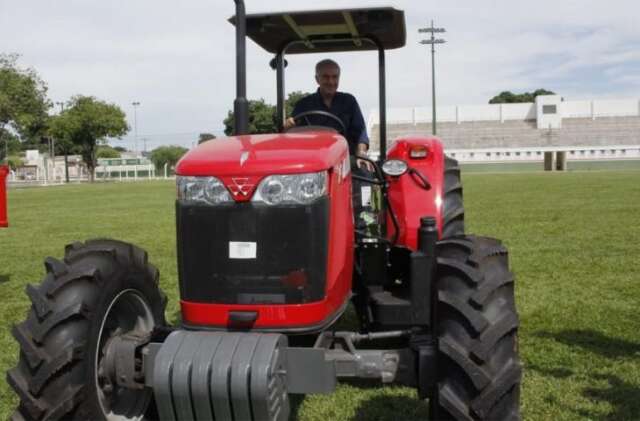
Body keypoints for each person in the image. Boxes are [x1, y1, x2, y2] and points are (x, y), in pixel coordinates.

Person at [284, 59, 372, 170]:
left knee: (365, 169)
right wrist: (288, 127)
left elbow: (360, 132)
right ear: (317, 79)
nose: (331, 81)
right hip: (313, 160)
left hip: (344, 159)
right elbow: (292, 134)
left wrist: (361, 153)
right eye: (326, 77)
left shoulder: (349, 101)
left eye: (334, 77)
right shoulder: (304, 104)